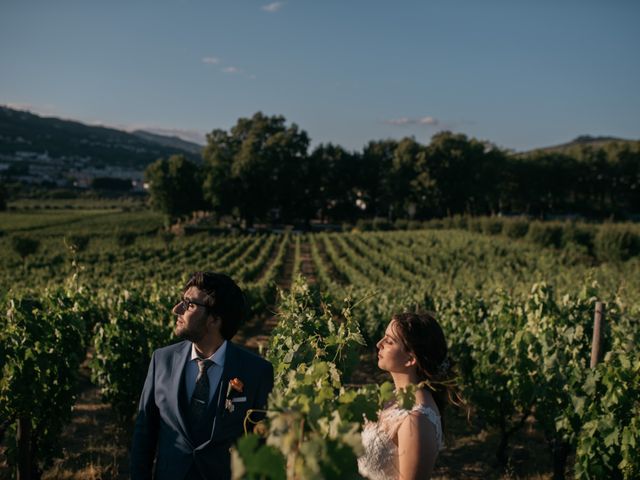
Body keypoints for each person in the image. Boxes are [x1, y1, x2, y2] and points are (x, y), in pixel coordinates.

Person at [130, 271, 274, 480]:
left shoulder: (257, 372)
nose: (176, 309)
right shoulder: (161, 360)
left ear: (215, 319)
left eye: (189, 304)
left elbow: (262, 447)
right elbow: (144, 436)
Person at [357, 312, 462, 480]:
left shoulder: (416, 420)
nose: (378, 344)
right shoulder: (391, 397)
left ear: (410, 359)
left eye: (389, 341)